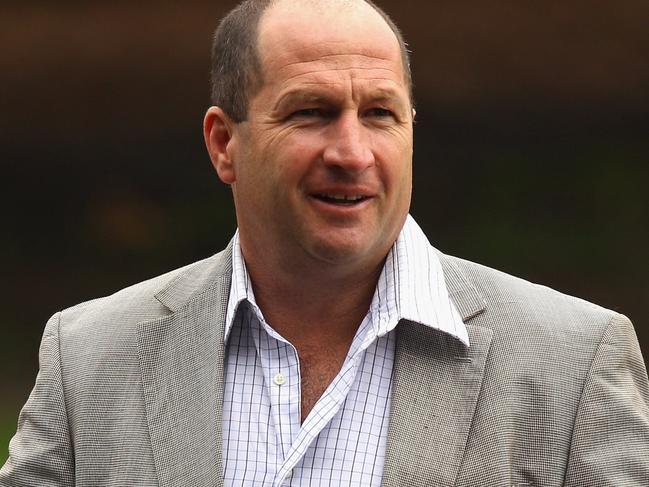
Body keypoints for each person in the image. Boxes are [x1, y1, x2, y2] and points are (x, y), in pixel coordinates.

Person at [2, 0, 648, 485]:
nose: (351, 152)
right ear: (224, 143)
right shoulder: (89, 358)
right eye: (310, 111)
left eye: (379, 113)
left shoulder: (571, 363)